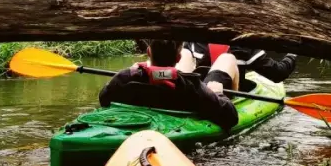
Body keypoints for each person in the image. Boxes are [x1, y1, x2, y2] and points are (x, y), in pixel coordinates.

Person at [98, 39, 239, 130]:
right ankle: (236, 99)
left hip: (159, 88)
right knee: (227, 58)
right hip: (183, 96)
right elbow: (231, 117)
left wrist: (134, 71)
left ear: (148, 52)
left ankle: (160, 67)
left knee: (186, 53)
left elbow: (104, 98)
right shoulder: (192, 87)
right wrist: (216, 92)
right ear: (178, 58)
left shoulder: (125, 78)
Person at [184, 42, 297, 92]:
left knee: (185, 54)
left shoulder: (195, 40)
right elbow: (278, 74)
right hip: (229, 98)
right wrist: (292, 54)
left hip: (197, 91)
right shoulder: (245, 47)